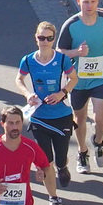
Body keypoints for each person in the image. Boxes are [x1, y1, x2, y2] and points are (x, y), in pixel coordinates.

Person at [57, 0, 103, 174]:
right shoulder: (71, 25)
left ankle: (98, 142)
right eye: (85, 2)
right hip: (78, 80)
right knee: (80, 118)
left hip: (101, 77)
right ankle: (83, 152)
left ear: (98, 1)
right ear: (79, 2)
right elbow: (60, 51)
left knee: (101, 118)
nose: (89, 5)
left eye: (93, 2)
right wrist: (77, 52)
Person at [15, 21, 77, 189]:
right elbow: (19, 79)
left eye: (49, 38)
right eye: (41, 37)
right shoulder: (28, 60)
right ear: (36, 38)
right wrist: (28, 94)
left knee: (60, 158)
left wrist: (61, 93)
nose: (45, 41)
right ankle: (53, 197)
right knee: (45, 160)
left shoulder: (62, 59)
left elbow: (74, 79)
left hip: (61, 115)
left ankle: (63, 167)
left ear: (53, 39)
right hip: (39, 116)